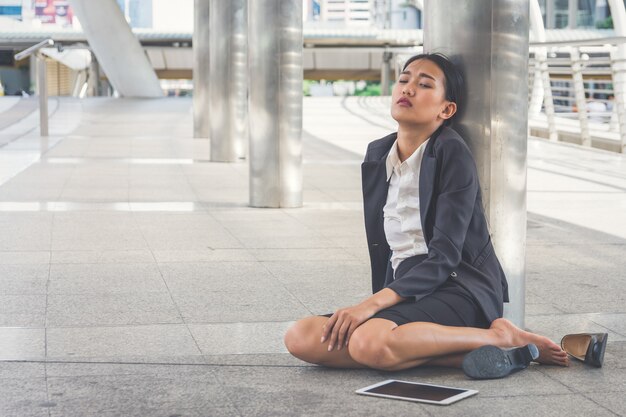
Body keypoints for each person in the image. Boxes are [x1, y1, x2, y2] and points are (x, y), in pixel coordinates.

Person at [284, 53, 569, 375]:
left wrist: (370, 304)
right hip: (406, 285)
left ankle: (499, 335)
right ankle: (465, 352)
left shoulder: (450, 151)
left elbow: (445, 256)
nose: (407, 89)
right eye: (404, 80)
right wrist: (384, 299)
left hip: (458, 286)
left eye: (424, 84)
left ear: (446, 109)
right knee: (302, 337)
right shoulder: (379, 153)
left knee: (368, 342)